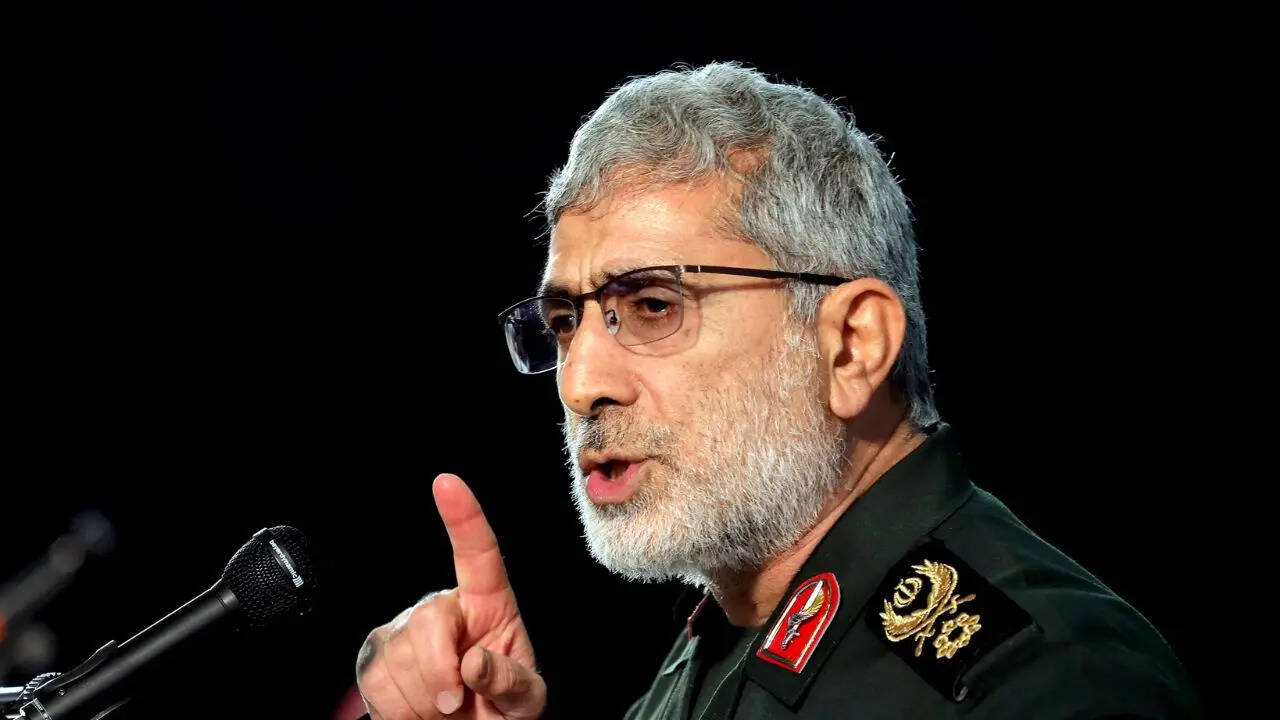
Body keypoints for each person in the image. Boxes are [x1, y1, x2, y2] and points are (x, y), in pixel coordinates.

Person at [353, 63, 1200, 719]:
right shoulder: (725, 638)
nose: (581, 383)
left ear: (852, 347)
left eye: (653, 306)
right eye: (568, 321)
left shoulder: (1043, 683)